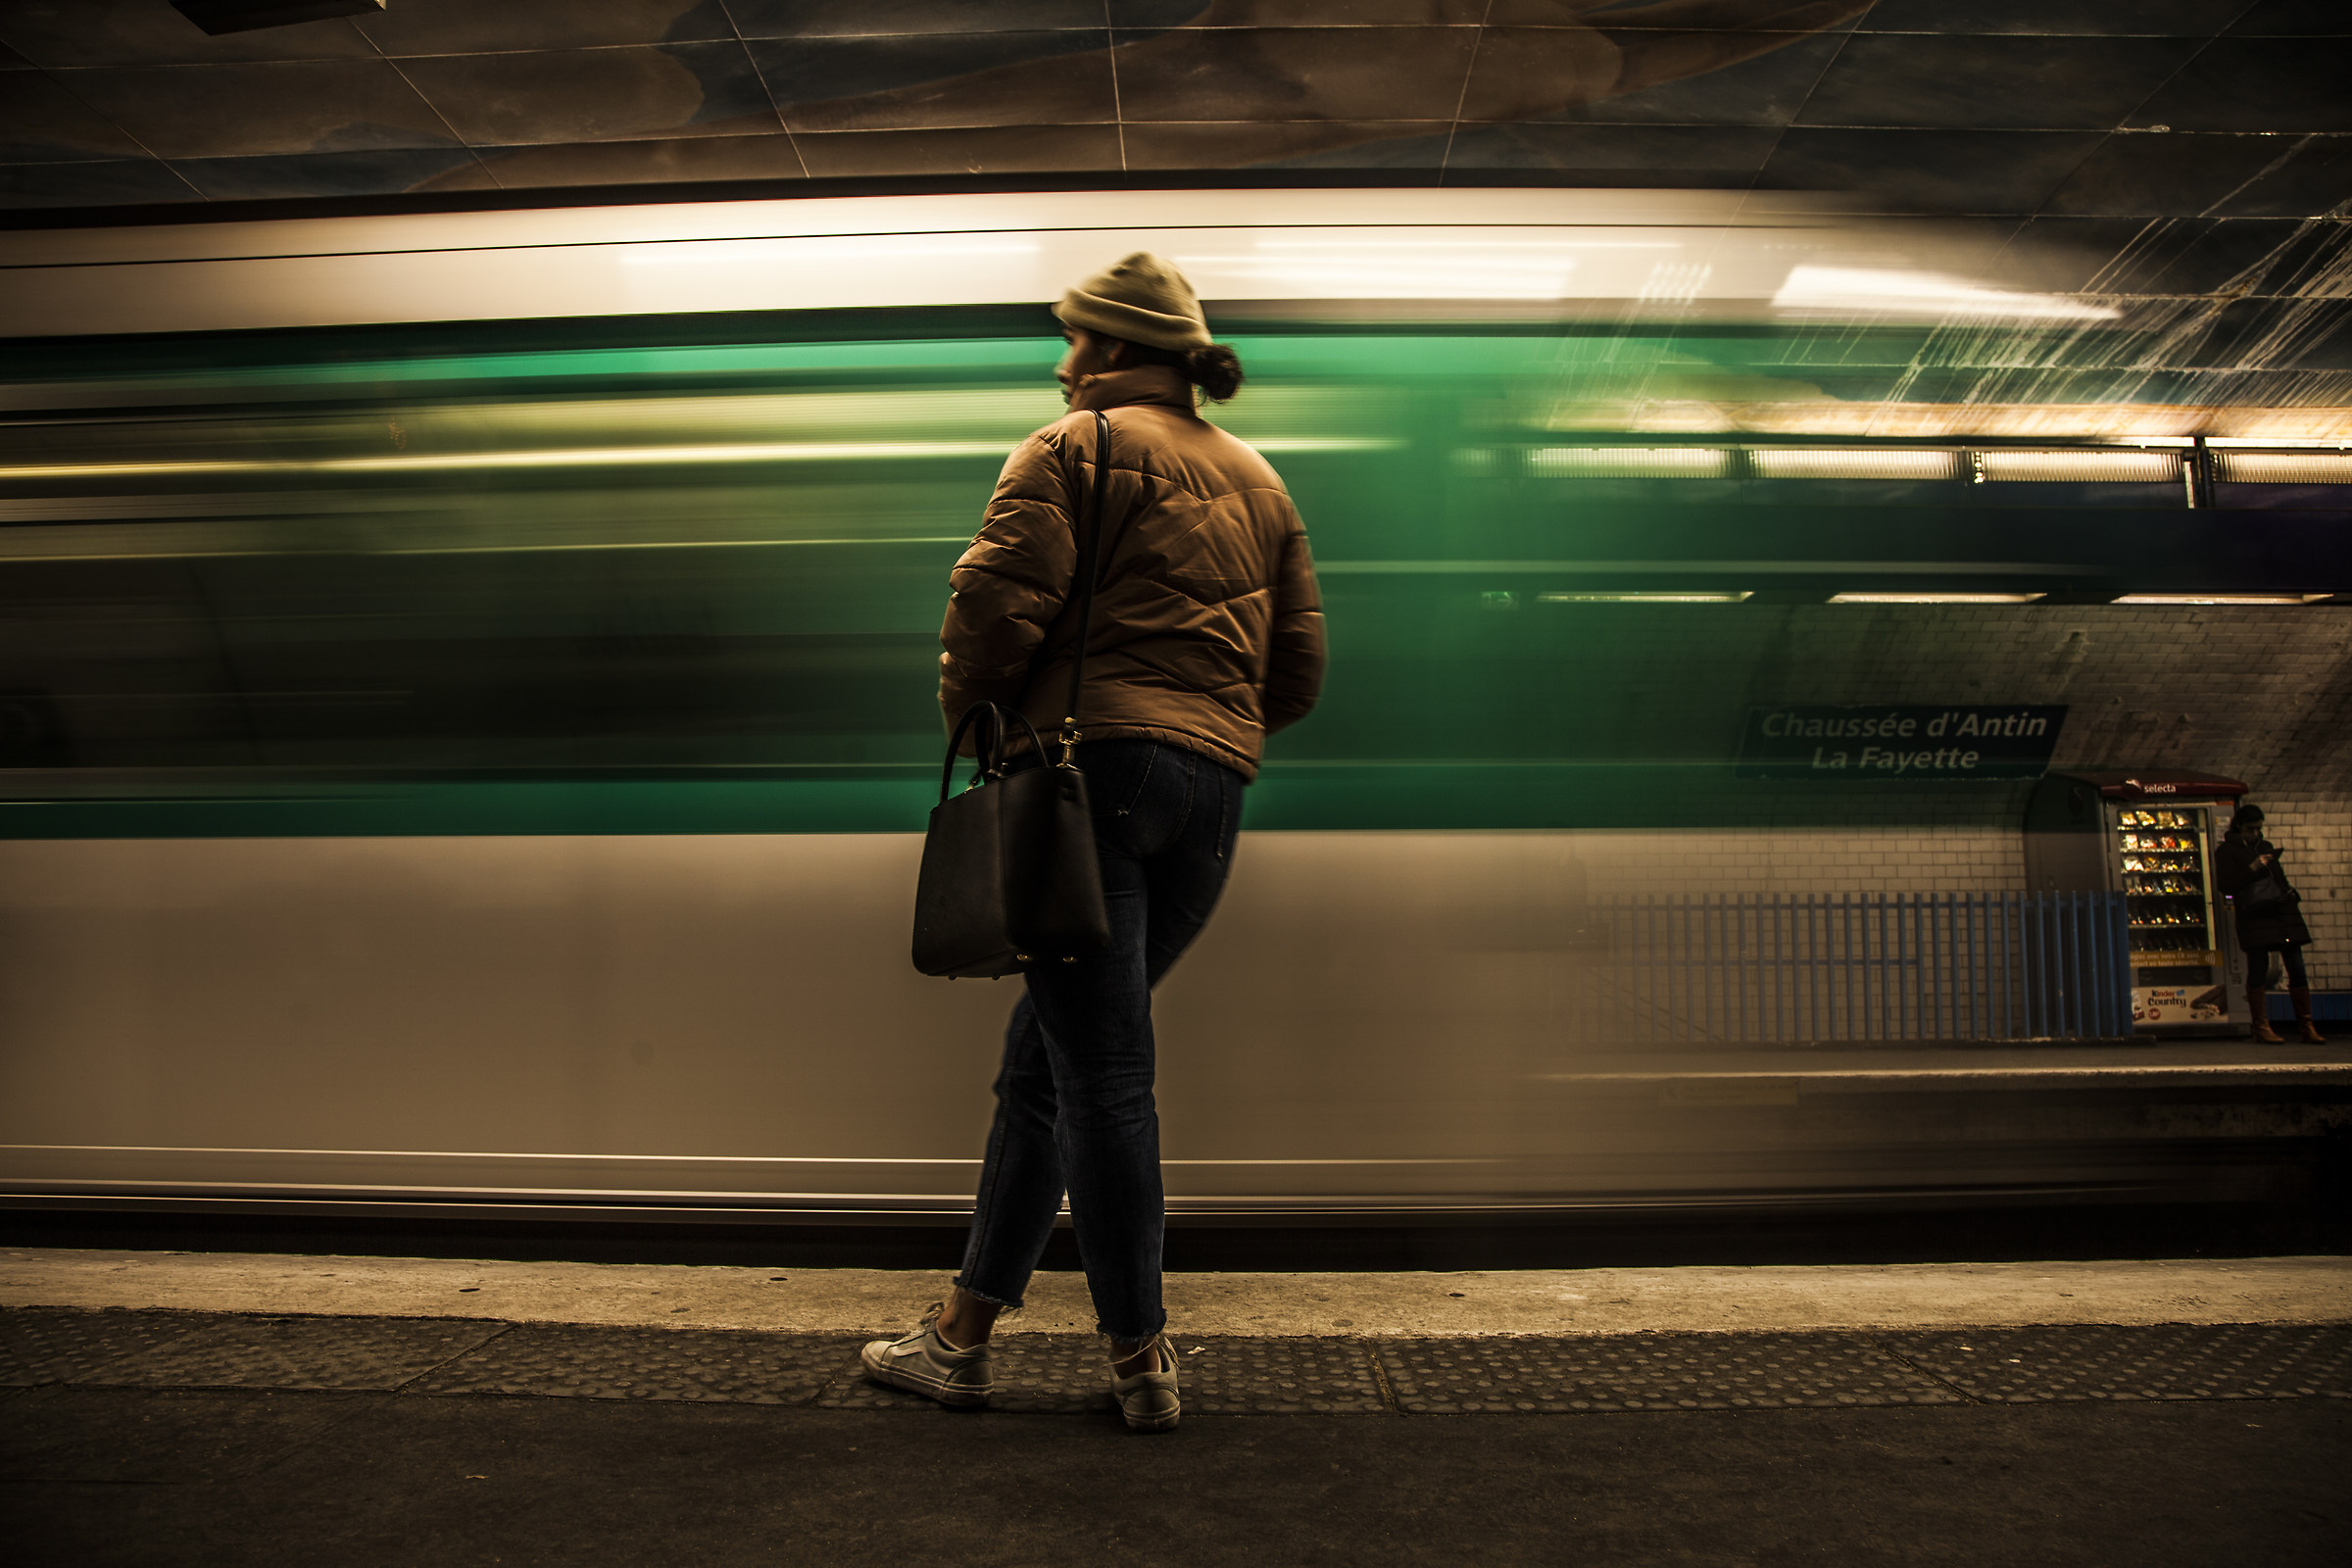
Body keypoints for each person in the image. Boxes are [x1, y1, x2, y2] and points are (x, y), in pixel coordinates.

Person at [861, 254, 1326, 1430]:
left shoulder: (1072, 448)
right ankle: (960, 1336)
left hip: (1085, 782)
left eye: (1074, 342)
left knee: (1106, 1071)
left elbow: (992, 607)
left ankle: (1140, 1354)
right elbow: (1300, 675)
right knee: (1050, 1061)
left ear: (1118, 349)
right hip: (1212, 795)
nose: (1062, 364)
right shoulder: (1263, 481)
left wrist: (985, 719)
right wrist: (1203, 733)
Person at [2214, 804, 2325, 1045]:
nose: (2255, 834)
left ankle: (2306, 1025)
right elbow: (2227, 885)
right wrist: (2253, 868)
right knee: (2258, 967)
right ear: (2239, 827)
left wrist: (2289, 893)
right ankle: (2261, 1026)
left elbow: (2279, 877)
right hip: (2255, 916)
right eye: (2250, 829)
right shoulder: (2226, 852)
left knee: (2296, 966)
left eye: (2258, 829)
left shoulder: (2265, 847)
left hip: (2281, 914)